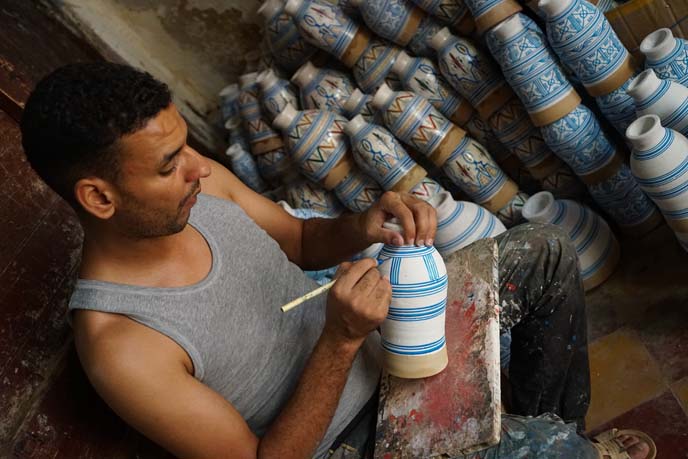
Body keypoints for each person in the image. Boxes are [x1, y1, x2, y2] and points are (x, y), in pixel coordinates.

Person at [20, 62, 655, 459]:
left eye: (186, 146)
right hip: (347, 440)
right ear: (99, 197)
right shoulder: (122, 345)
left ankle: (546, 428)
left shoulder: (200, 184)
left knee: (544, 251)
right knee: (548, 456)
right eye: (167, 166)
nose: (196, 168)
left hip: (378, 352)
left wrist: (362, 224)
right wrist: (340, 340)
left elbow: (298, 241)